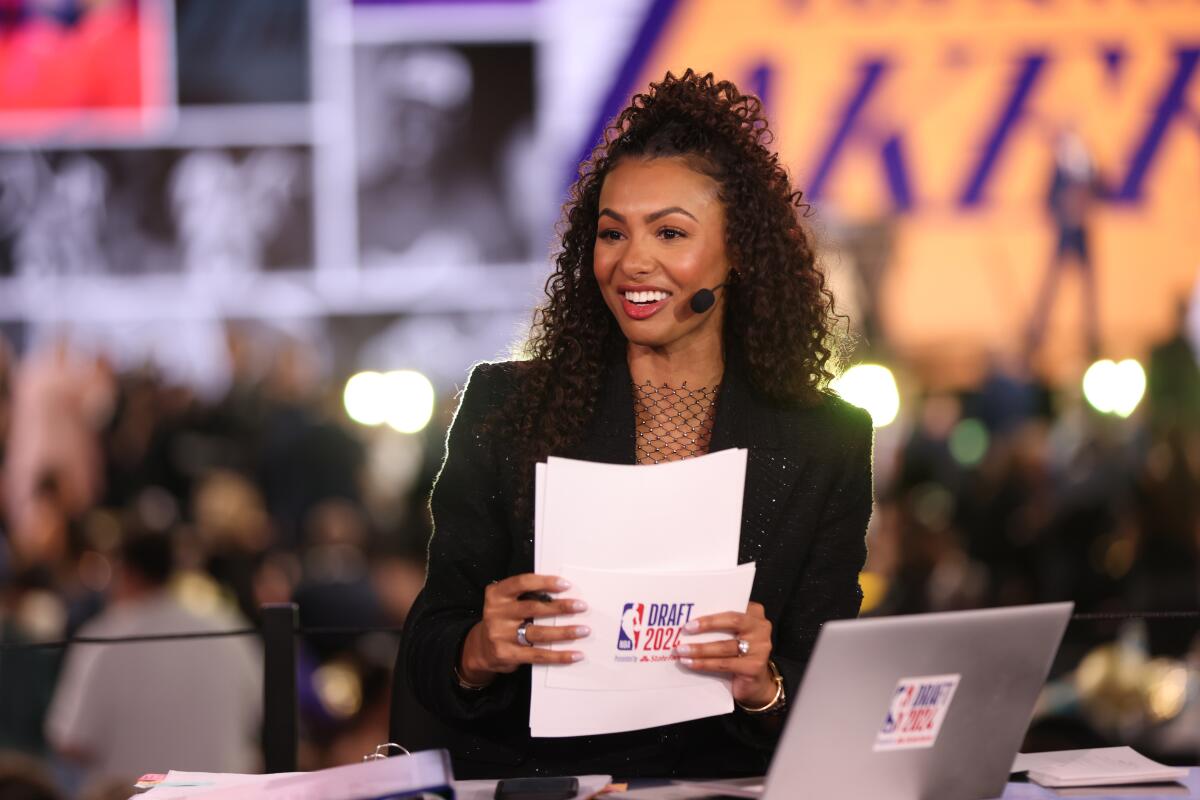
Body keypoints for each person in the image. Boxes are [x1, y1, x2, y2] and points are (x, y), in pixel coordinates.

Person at [399, 70, 873, 779]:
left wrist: (765, 686)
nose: (632, 262)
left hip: (727, 784)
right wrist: (477, 650)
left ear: (737, 251)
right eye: (612, 232)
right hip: (539, 782)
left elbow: (824, 686)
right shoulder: (505, 409)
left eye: (671, 232)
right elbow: (429, 649)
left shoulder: (825, 438)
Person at [45, 531, 261, 785]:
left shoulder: (103, 639)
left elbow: (71, 742)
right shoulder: (227, 628)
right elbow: (262, 715)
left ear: (126, 572)